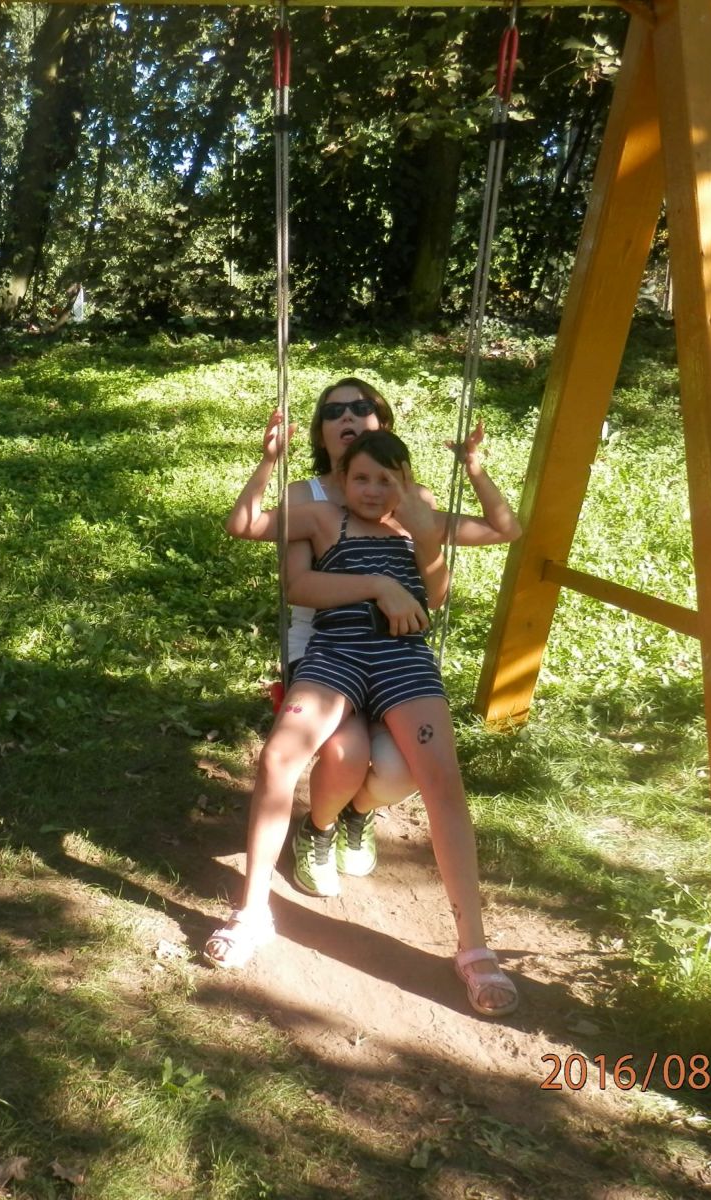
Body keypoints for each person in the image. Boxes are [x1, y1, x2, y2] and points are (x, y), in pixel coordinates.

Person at [212, 420, 522, 1018]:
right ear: (343, 479)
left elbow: (506, 528)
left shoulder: (420, 522)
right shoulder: (323, 519)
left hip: (403, 659)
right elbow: (243, 524)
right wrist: (268, 461)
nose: (373, 491)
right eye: (361, 478)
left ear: (404, 480)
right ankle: (252, 914)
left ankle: (474, 948)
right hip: (336, 655)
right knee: (278, 757)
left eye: (386, 479)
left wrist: (474, 469)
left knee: (441, 780)